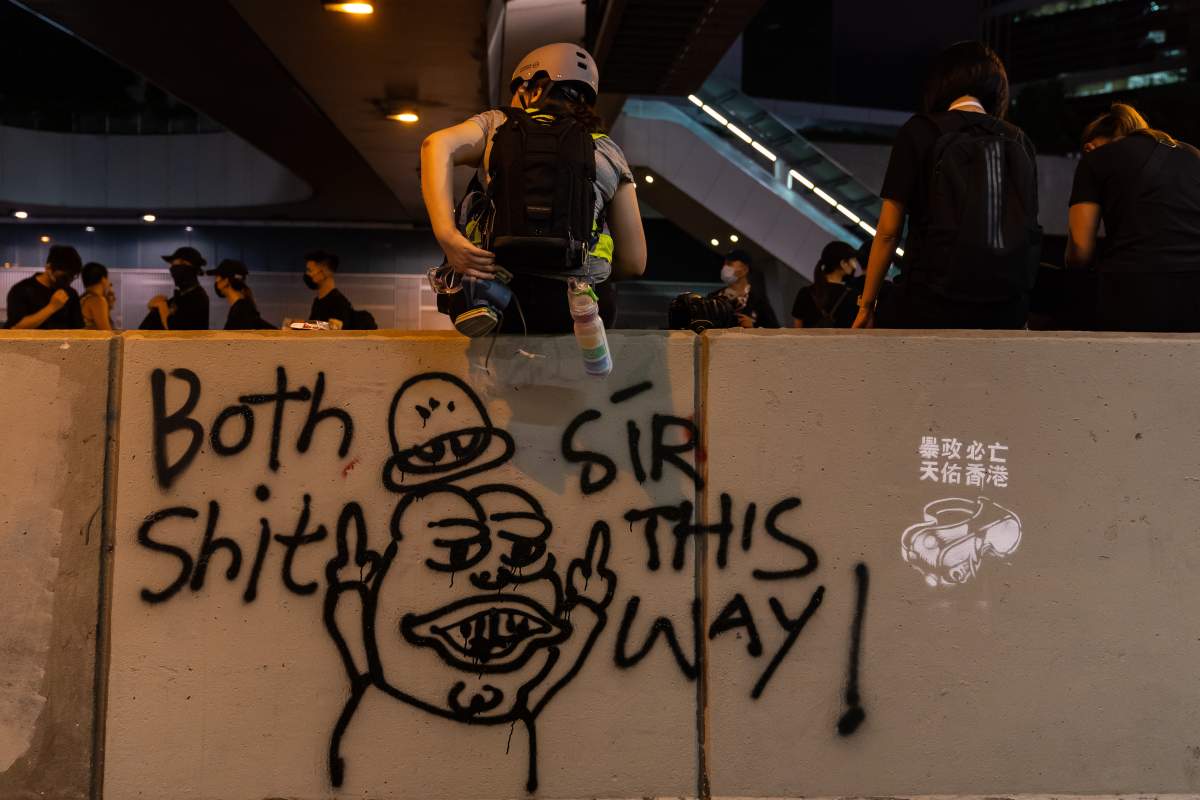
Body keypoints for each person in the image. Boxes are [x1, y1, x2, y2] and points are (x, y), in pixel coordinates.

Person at [420, 42, 646, 334]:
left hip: (499, 302)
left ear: (535, 88)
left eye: (517, 90)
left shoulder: (498, 125)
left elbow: (434, 145)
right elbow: (634, 262)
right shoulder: (606, 149)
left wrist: (448, 236)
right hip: (576, 314)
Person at [854, 41, 1040, 330]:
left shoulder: (920, 131)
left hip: (930, 303)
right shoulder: (1019, 139)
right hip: (1006, 307)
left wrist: (867, 305)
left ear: (940, 83)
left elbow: (889, 232)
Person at [1066, 103, 1200, 331]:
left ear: (1090, 146)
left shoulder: (1095, 159)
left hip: (1134, 292)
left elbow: (1080, 250)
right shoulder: (1193, 155)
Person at [5, 244, 84, 330]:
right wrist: (52, 307)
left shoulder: (70, 293)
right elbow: (15, 328)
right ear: (48, 268)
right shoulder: (21, 290)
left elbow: (78, 329)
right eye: (63, 277)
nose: (68, 282)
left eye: (72, 277)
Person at [140, 246, 209, 330]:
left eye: (176, 264)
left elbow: (174, 329)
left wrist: (161, 306)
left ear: (188, 266)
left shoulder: (197, 298)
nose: (172, 270)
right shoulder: (182, 295)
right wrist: (155, 305)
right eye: (172, 265)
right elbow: (157, 308)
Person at [792, 241, 859, 328]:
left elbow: (798, 328)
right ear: (843, 264)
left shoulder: (805, 292)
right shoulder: (853, 295)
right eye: (853, 260)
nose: (855, 266)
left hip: (811, 341)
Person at [707, 249, 779, 328]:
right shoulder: (713, 298)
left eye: (729, 264)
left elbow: (773, 328)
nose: (725, 268)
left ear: (745, 270)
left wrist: (753, 326)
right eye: (724, 264)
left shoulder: (758, 299)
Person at [209, 259, 275, 330]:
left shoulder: (240, 312)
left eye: (217, 277)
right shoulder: (243, 307)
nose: (216, 281)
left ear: (226, 281)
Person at [304, 250, 356, 327]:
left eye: (310, 270)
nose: (307, 274)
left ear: (324, 272)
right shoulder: (318, 301)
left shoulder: (339, 303)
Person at [80, 262, 115, 330]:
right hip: (92, 340)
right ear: (103, 279)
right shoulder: (98, 301)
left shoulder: (83, 298)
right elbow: (106, 333)